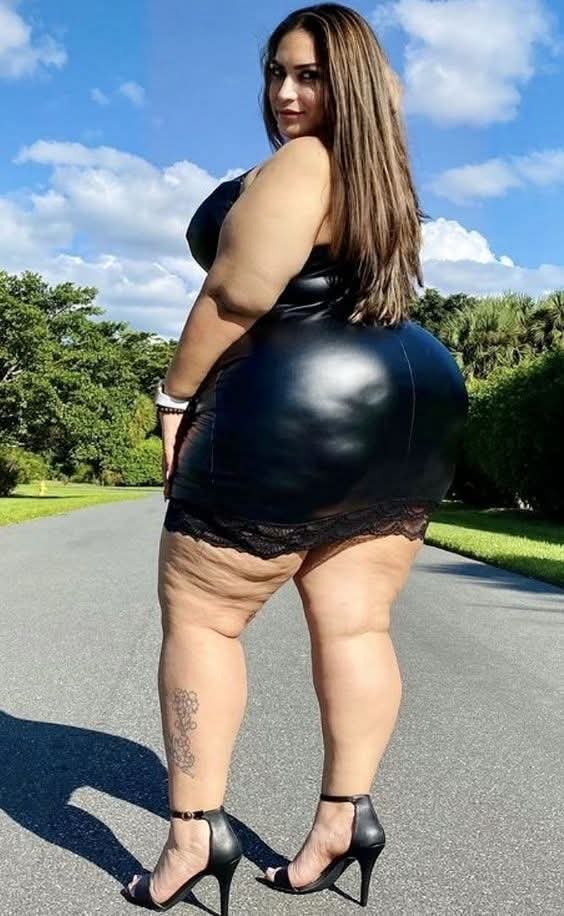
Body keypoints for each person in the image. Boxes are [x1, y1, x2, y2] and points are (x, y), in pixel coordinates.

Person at [122, 3, 468, 913]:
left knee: (204, 618)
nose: (284, 93)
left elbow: (235, 296)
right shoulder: (380, 170)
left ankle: (193, 836)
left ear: (346, 87)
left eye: (310, 75)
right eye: (276, 72)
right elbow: (382, 98)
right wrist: (363, 83)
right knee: (356, 627)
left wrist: (173, 398)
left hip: (298, 398)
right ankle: (343, 821)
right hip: (406, 402)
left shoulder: (308, 162)